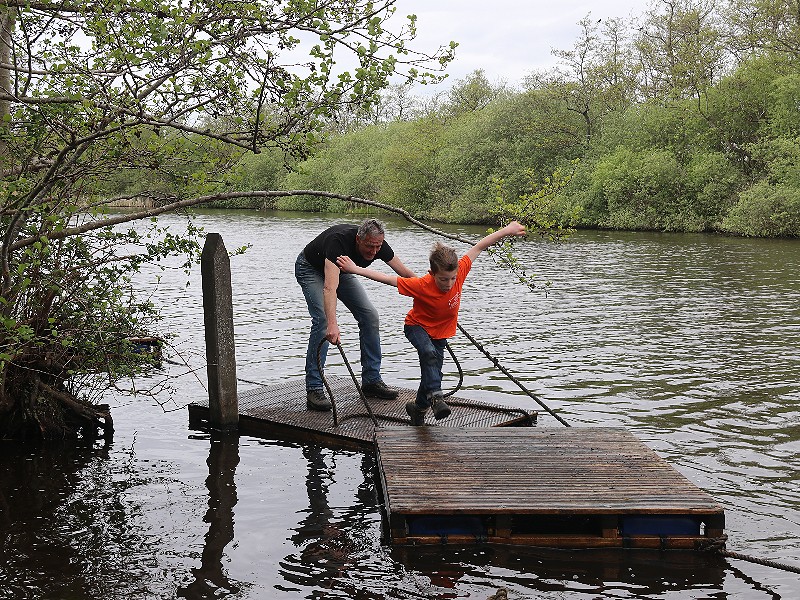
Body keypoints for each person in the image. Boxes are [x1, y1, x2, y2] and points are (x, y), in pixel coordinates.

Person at [336, 221, 527, 425]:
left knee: (433, 371)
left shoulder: (459, 272)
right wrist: (355, 269)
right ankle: (436, 396)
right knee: (428, 354)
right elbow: (388, 278)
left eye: (452, 279)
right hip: (416, 327)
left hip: (440, 333)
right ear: (432, 273)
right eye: (443, 280)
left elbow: (480, 246)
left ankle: (418, 408)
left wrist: (507, 230)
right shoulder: (422, 284)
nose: (449, 284)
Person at [295, 219, 416, 411]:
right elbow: (329, 288)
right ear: (358, 239)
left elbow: (405, 274)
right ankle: (314, 389)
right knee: (323, 321)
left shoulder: (379, 245)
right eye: (369, 246)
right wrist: (332, 324)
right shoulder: (339, 241)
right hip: (311, 269)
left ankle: (371, 382)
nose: (374, 252)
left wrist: (433, 289)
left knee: (370, 316)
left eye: (378, 247)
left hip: (342, 272)